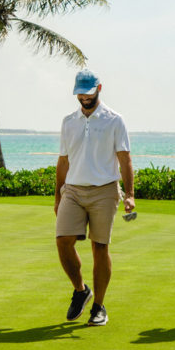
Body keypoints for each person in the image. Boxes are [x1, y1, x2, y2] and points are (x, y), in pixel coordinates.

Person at [54, 69, 135, 327]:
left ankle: (99, 306)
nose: (84, 98)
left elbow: (124, 159)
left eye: (88, 93)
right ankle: (80, 291)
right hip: (73, 190)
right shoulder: (69, 121)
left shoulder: (114, 120)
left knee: (99, 247)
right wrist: (58, 195)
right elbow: (63, 160)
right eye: (80, 93)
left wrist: (130, 194)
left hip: (104, 190)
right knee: (63, 241)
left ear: (98, 89)